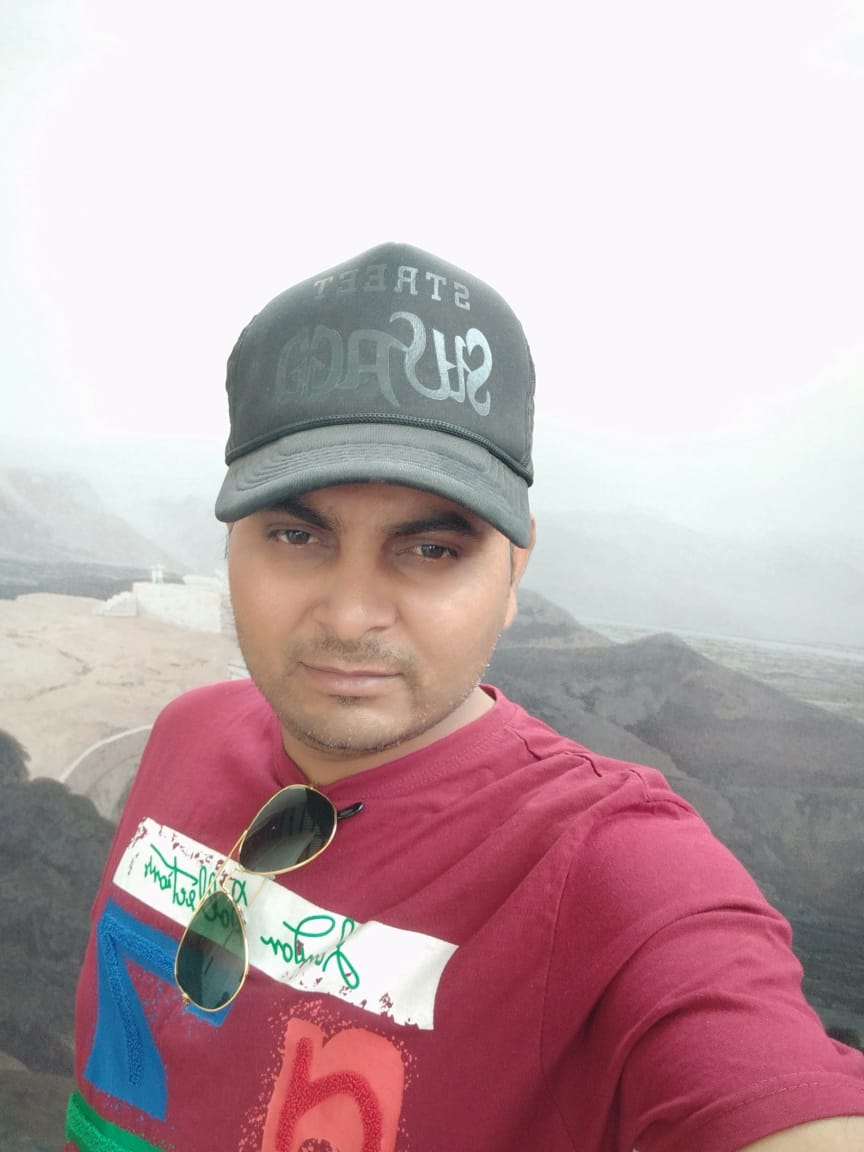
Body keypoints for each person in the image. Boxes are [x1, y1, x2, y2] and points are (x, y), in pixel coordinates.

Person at [68, 242, 864, 1152]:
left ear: (515, 568)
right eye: (296, 535)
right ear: (231, 542)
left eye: (431, 549)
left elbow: (760, 1082)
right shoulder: (187, 731)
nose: (352, 614)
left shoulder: (608, 871)